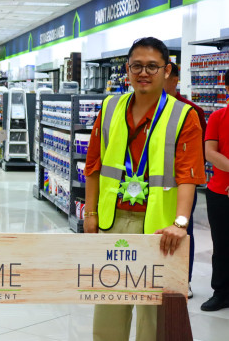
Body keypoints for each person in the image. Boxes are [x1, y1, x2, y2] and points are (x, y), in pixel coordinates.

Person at [83, 37, 205, 341]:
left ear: (166, 71)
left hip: (160, 230)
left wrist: (180, 223)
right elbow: (94, 164)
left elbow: (188, 175)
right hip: (113, 222)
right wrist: (91, 212)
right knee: (109, 309)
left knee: (153, 321)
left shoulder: (184, 116)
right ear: (127, 69)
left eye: (153, 66)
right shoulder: (111, 107)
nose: (144, 72)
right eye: (137, 65)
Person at [163, 63, 207, 299]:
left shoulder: (191, 111)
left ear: (175, 80)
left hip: (182, 186)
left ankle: (184, 279)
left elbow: (196, 153)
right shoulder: (146, 108)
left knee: (183, 232)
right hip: (153, 187)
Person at [201, 68, 229, 312]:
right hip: (220, 192)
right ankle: (221, 292)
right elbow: (210, 152)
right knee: (221, 244)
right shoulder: (218, 117)